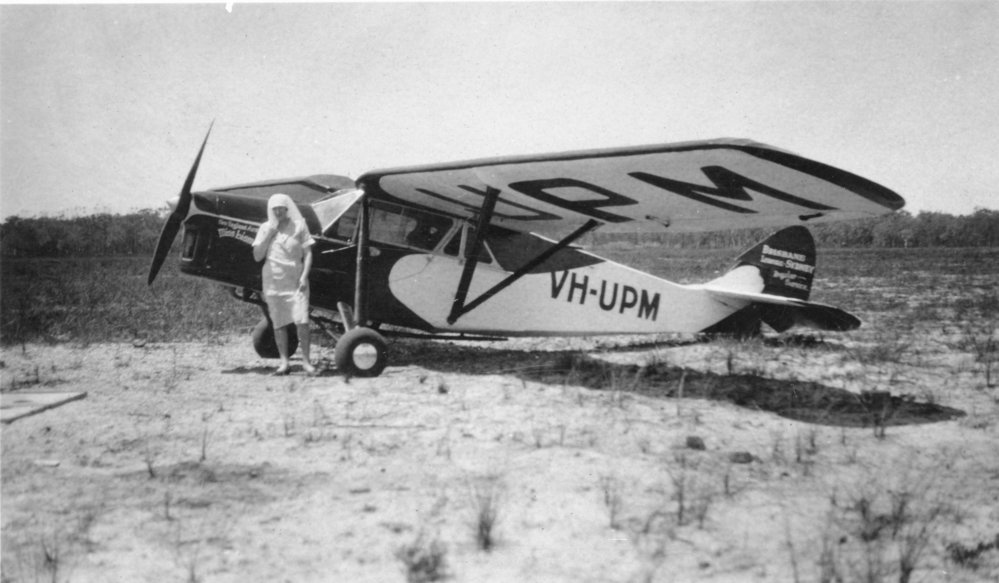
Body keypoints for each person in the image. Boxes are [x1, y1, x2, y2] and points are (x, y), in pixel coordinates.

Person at [252, 193, 316, 375]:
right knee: (279, 323)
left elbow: (308, 253)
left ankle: (306, 363)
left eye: (282, 208)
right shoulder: (265, 228)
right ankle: (284, 363)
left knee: (302, 321)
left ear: (287, 209)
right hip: (273, 281)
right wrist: (270, 234)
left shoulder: (299, 226)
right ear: (271, 210)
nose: (278, 212)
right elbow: (257, 256)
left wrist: (304, 276)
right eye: (275, 209)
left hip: (296, 280)